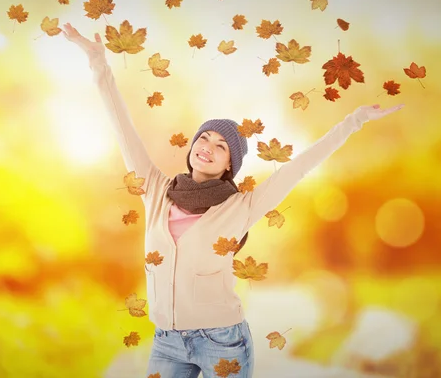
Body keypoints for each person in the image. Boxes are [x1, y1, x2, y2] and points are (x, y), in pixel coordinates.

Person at [61, 22, 405, 378]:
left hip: (222, 343)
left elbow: (299, 167)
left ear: (230, 165)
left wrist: (355, 121)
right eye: (204, 138)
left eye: (221, 145)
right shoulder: (156, 191)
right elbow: (122, 127)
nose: (207, 147)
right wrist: (98, 62)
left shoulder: (241, 207)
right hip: (167, 341)